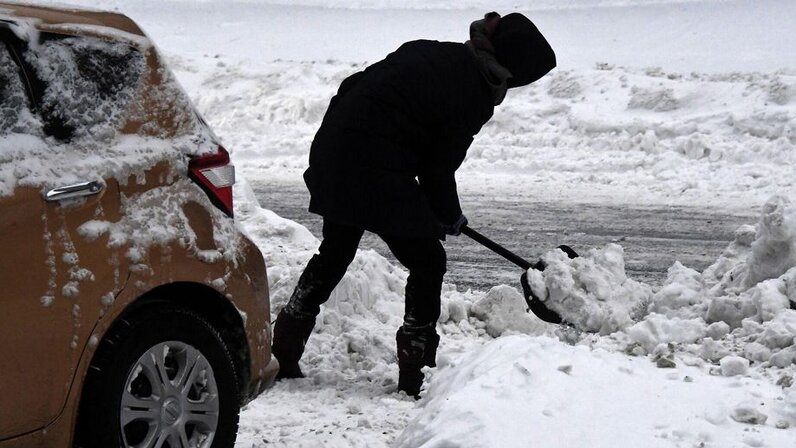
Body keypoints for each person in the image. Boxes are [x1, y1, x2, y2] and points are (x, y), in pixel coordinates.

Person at [271, 12, 556, 397]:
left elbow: (355, 87)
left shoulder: (436, 53)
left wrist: (435, 206)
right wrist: (449, 214)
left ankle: (284, 347)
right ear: (512, 69)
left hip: (335, 151)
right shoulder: (472, 90)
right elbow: (438, 169)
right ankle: (414, 372)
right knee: (428, 260)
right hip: (372, 164)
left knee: (336, 250)